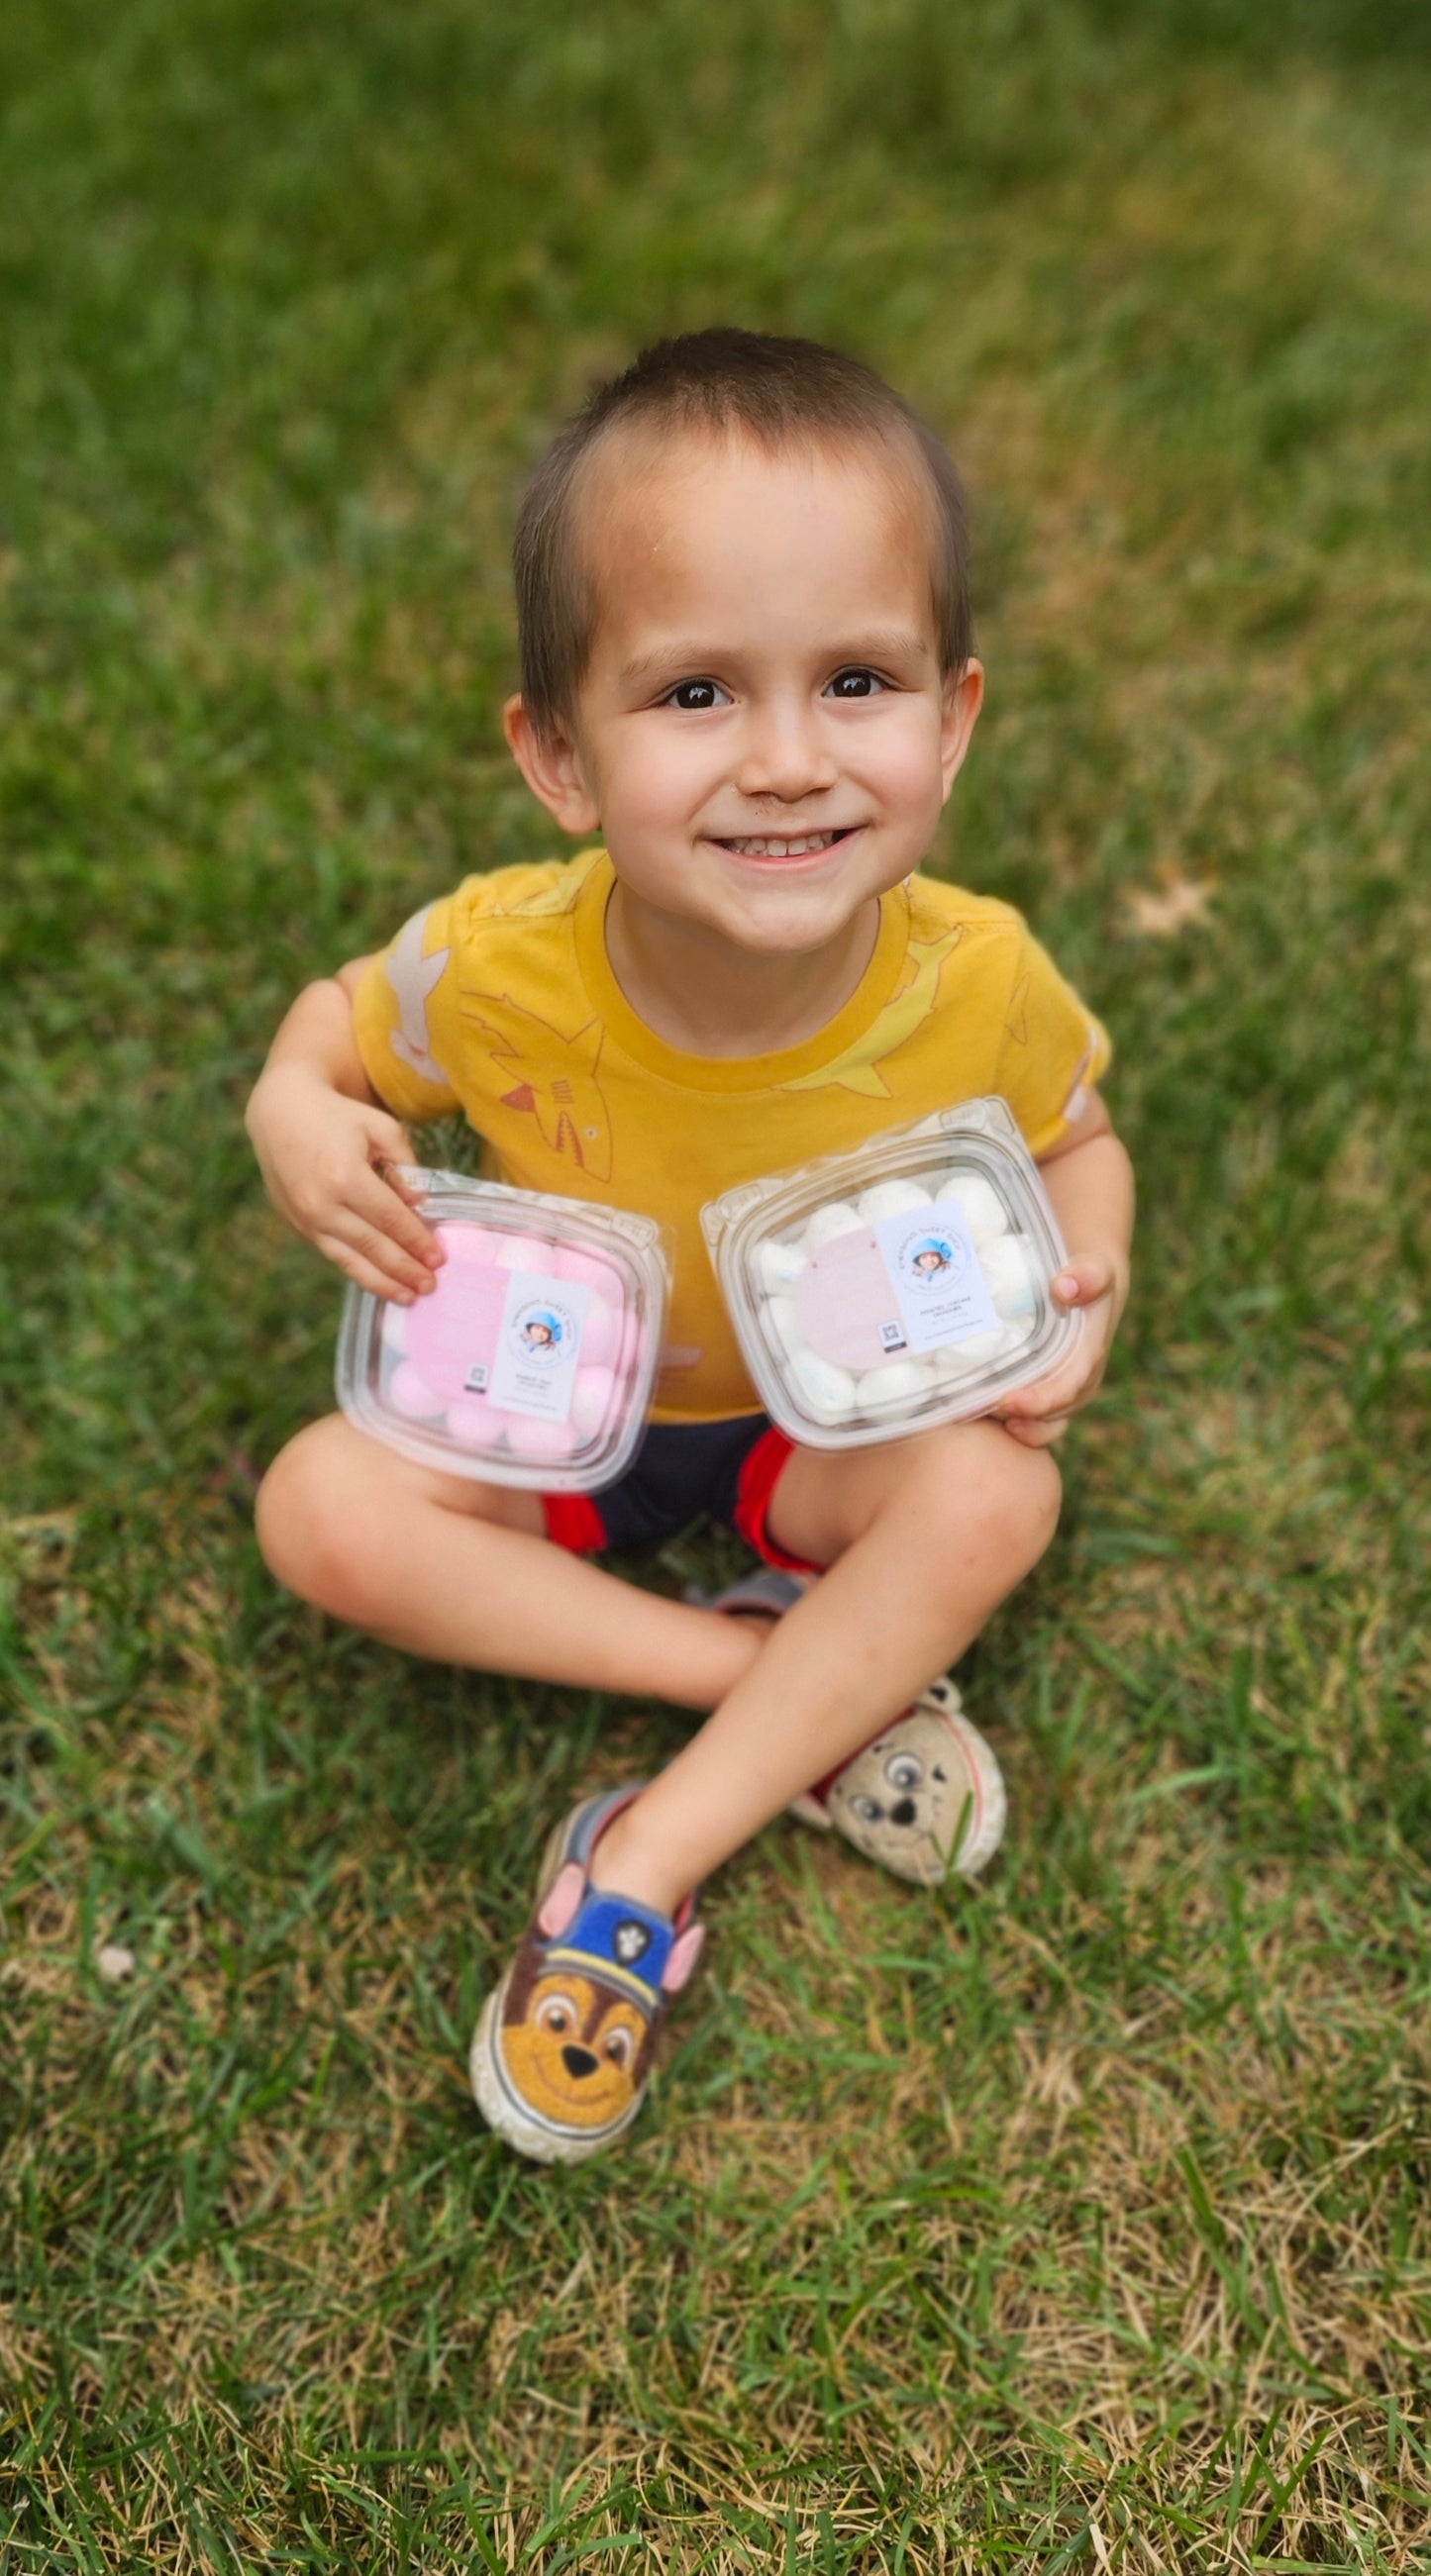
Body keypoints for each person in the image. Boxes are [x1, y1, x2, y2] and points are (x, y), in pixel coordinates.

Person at [246, 329, 1134, 2164]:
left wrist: (1083, 1291)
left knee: (994, 1501)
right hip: (556, 1409)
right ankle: (788, 1689)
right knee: (317, 1511)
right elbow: (340, 1030)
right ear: (558, 755)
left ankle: (641, 1858)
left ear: (952, 720)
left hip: (827, 1433)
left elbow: (1076, 1140)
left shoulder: (977, 981)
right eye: (696, 695)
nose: (791, 760)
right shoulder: (495, 965)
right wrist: (291, 1102)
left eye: (859, 679)